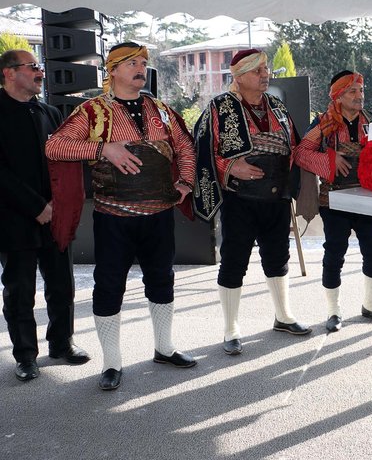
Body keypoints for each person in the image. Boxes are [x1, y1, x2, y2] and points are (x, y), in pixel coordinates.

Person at [46, 42, 196, 391]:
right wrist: (104, 148)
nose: (140, 68)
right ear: (112, 71)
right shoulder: (92, 111)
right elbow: (55, 146)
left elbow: (185, 147)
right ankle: (112, 362)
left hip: (159, 215)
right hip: (114, 218)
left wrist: (186, 182)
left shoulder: (161, 110)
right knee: (109, 285)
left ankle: (164, 348)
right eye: (131, 63)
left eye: (142, 63)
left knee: (162, 279)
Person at [193, 49, 310, 356]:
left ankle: (283, 316)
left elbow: (295, 145)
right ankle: (231, 329)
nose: (265, 74)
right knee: (234, 260)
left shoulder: (277, 106)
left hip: (276, 197)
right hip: (239, 199)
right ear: (239, 76)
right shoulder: (219, 107)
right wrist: (230, 167)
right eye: (257, 70)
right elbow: (203, 147)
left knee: (278, 256)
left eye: (265, 69)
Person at [0, 50, 90, 382]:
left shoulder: (50, 112)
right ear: (10, 73)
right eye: (33, 67)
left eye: (40, 67)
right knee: (20, 291)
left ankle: (62, 344)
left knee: (62, 285)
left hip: (55, 216)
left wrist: (61, 204)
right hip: (13, 218)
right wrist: (36, 206)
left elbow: (65, 162)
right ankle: (25, 355)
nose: (40, 72)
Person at [294, 71, 372, 332]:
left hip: (367, 199)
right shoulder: (323, 123)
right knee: (334, 253)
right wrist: (330, 159)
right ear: (337, 96)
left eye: (361, 90)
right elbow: (301, 153)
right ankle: (333, 312)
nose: (359, 95)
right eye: (352, 91)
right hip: (334, 201)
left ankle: (370, 306)